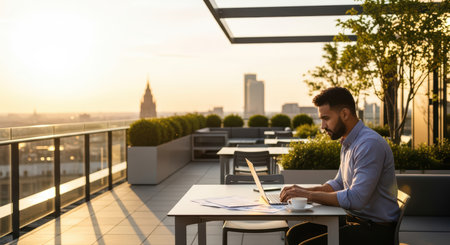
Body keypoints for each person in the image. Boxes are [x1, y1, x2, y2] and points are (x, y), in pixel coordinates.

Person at [280, 87, 400, 245]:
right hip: (356, 220)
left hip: (375, 231)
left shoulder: (369, 144)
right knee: (295, 234)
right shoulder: (348, 142)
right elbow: (338, 184)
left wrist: (308, 196)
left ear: (344, 114)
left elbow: (356, 198)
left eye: (326, 118)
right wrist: (301, 191)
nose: (322, 126)